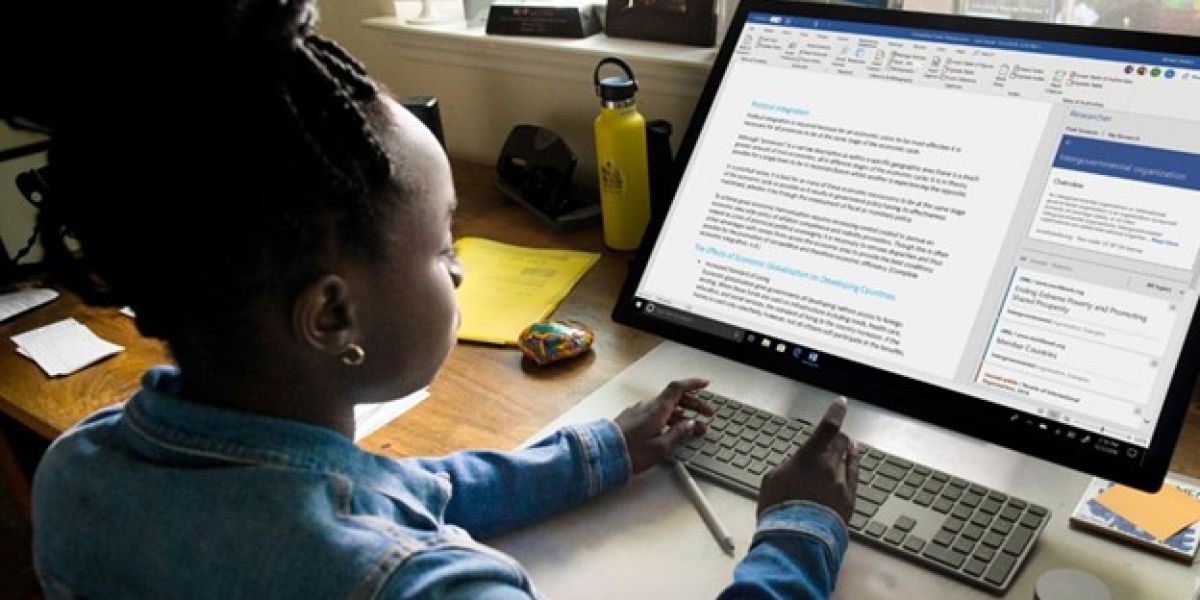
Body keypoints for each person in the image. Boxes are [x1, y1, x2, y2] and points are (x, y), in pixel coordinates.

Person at [27, 1, 859, 598]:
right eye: (440, 246)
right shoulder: (421, 584)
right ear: (332, 316)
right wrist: (797, 532)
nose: (457, 270)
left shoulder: (80, 468)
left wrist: (598, 451)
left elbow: (391, 487)